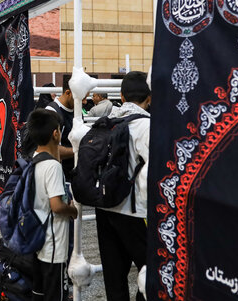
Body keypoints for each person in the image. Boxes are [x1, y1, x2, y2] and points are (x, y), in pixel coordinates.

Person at [96, 71, 150, 301]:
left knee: (114, 277)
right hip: (134, 210)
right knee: (150, 271)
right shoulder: (147, 126)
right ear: (149, 98)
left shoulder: (105, 123)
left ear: (121, 95)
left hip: (104, 206)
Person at [27, 108, 78, 301]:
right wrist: (73, 210)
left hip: (38, 241)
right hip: (54, 244)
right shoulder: (53, 167)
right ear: (56, 134)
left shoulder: (34, 159)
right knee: (56, 293)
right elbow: (57, 206)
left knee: (39, 293)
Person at [45, 77, 75, 180]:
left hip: (72, 174)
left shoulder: (77, 109)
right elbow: (51, 149)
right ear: (68, 93)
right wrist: (79, 150)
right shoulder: (52, 111)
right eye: (81, 98)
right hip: (57, 177)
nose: (84, 102)